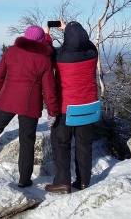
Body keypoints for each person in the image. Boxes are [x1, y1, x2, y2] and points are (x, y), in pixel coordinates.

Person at [0, 25, 59, 188]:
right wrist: (53, 111)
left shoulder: (11, 52)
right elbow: (49, 90)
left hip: (7, 100)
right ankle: (24, 179)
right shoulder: (44, 60)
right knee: (27, 140)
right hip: (29, 105)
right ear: (41, 41)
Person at [44, 19, 98, 194]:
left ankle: (62, 182)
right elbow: (84, 41)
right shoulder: (92, 52)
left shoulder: (60, 57)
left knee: (61, 143)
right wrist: (69, 27)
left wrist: (47, 34)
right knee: (84, 144)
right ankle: (83, 181)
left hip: (66, 109)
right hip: (89, 107)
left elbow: (46, 50)